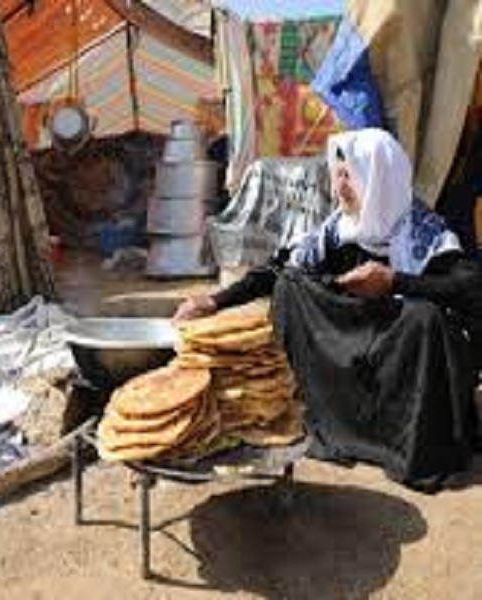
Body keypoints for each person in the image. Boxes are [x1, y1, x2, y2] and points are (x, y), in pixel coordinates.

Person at [175, 128, 482, 492]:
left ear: (378, 180)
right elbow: (276, 269)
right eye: (336, 177)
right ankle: (319, 419)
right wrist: (215, 301)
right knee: (291, 285)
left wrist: (395, 281)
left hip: (403, 370)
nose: (337, 190)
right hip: (354, 357)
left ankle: (402, 442)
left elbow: (471, 289)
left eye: (348, 177)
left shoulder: (425, 236)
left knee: (423, 319)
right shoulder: (338, 230)